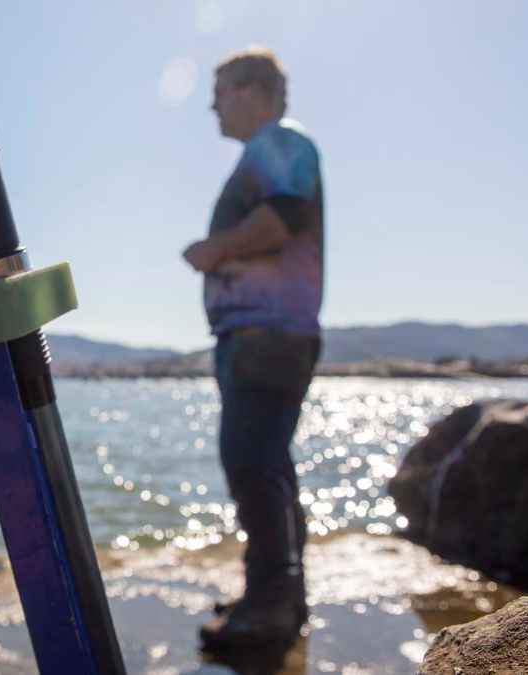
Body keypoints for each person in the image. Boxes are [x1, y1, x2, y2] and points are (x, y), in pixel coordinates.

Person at [182, 47, 323, 648]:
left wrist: (213, 251)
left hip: (267, 336)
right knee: (268, 466)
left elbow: (284, 216)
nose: (212, 102)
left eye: (220, 89)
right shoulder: (266, 150)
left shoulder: (281, 142)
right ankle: (278, 595)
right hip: (261, 337)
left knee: (251, 463)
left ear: (253, 89)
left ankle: (270, 606)